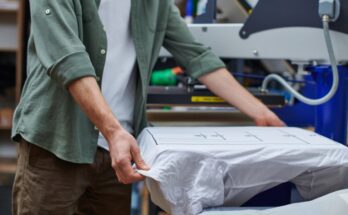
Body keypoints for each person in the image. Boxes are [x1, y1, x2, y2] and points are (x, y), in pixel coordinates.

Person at [11, 0, 285, 214]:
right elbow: (67, 58)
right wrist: (113, 130)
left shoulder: (156, 4)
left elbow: (196, 55)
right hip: (56, 143)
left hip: (115, 155)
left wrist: (261, 113)